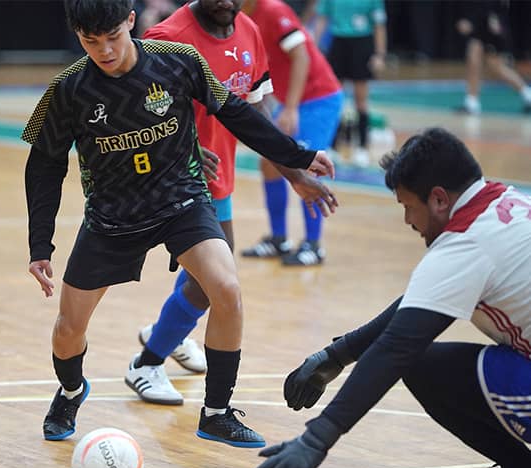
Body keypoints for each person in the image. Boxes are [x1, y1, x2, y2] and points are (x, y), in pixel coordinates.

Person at [24, 0, 337, 448]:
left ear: (131, 21)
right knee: (68, 329)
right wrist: (41, 246)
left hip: (181, 200)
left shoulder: (178, 62)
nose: (106, 51)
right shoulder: (67, 89)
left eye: (113, 36)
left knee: (226, 288)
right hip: (112, 217)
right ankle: (71, 391)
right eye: (91, 43)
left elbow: (237, 112)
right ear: (77, 36)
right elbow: (43, 167)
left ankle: (216, 412)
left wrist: (297, 156)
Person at [250, 127, 531, 468]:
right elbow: (421, 305)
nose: (406, 220)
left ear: (438, 199)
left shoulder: (467, 243)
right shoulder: (503, 202)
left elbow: (399, 346)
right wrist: (339, 354)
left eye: (406, 206)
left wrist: (315, 441)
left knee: (417, 363)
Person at [126, 0, 287, 405]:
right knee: (213, 280)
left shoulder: (247, 30)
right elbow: (133, 111)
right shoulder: (167, 39)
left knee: (211, 274)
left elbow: (257, 108)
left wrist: (294, 169)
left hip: (218, 177)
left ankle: (165, 332)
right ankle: (146, 362)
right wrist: (186, 145)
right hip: (172, 178)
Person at [240, 0, 343, 265]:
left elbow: (301, 55)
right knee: (270, 164)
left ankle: (313, 244)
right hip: (290, 102)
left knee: (309, 166)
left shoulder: (273, 10)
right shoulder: (238, 17)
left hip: (318, 99)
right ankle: (279, 239)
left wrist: (291, 108)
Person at [313, 0, 386, 168]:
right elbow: (322, 18)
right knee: (335, 97)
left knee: (361, 100)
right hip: (339, 43)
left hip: (362, 44)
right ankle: (332, 146)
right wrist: (314, 47)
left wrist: (380, 55)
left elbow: (379, 25)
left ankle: (362, 148)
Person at [454, 0, 531, 115]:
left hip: (492, 24)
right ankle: (472, 102)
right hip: (480, 22)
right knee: (476, 61)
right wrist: (467, 19)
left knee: (495, 67)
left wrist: (496, 17)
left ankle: (528, 95)